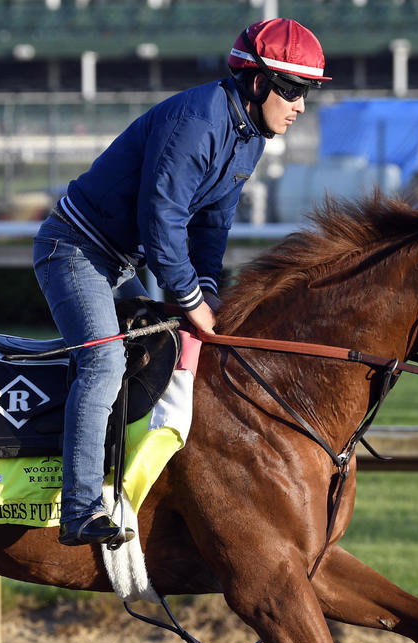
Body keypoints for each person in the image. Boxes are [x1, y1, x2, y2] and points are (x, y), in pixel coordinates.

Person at [33, 18, 331, 546]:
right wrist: (191, 299)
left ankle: (133, 487)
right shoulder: (199, 120)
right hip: (73, 251)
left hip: (117, 264)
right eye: (293, 91)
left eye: (305, 93)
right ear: (259, 83)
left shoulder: (249, 137)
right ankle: (79, 509)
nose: (300, 106)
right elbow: (163, 217)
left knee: (158, 355)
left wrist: (210, 289)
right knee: (104, 359)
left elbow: (212, 224)